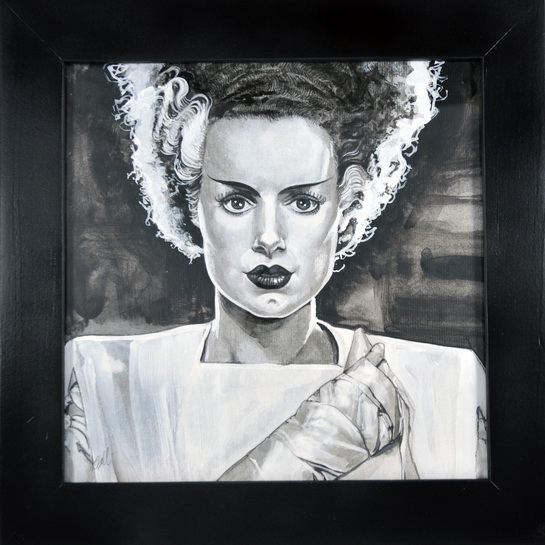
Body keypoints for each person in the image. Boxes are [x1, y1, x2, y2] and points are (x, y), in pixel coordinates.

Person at [64, 61, 487, 482]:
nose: (269, 237)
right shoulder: (104, 382)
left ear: (347, 207)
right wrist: (307, 447)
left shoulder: (445, 384)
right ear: (193, 203)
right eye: (237, 201)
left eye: (303, 202)